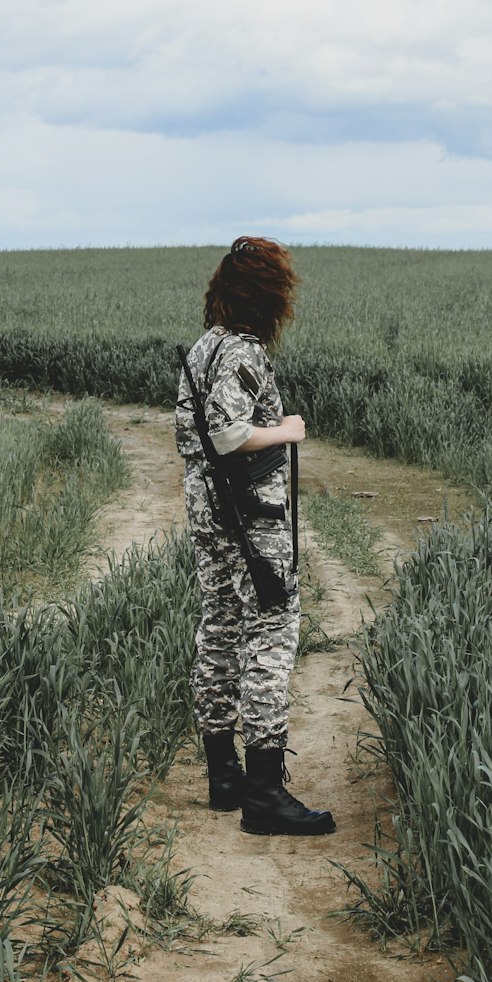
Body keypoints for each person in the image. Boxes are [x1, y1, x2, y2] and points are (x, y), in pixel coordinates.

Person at [175, 235, 335, 836]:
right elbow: (228, 434)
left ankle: (224, 777)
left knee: (219, 622)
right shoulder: (241, 353)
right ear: (267, 296)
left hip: (208, 509)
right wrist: (287, 431)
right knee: (273, 627)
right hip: (248, 513)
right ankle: (265, 792)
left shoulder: (202, 349)